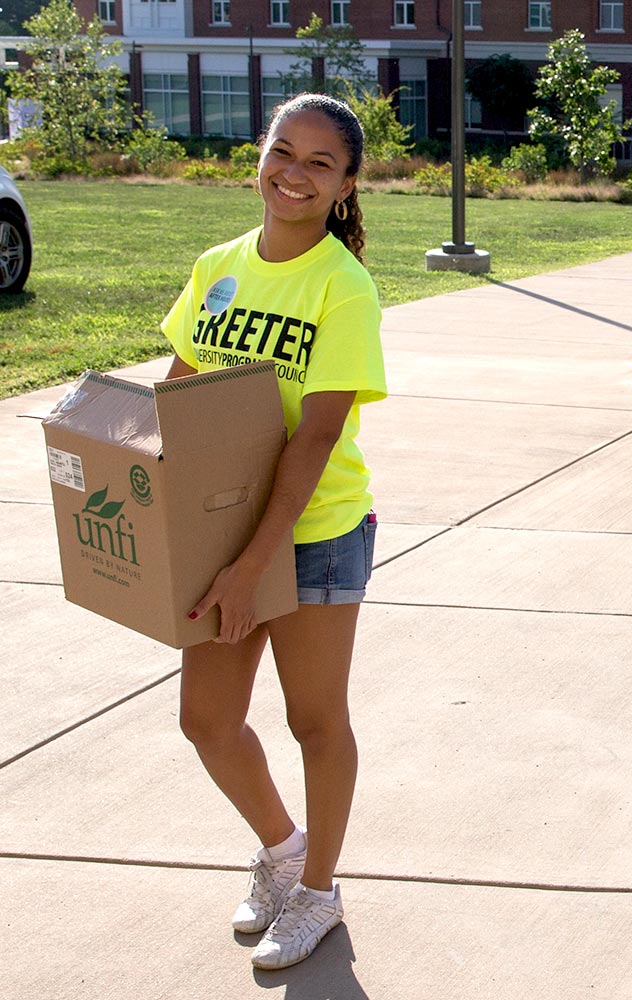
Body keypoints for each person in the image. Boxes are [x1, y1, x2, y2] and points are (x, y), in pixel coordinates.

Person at [160, 93, 386, 970]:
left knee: (314, 721)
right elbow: (178, 395)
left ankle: (320, 893)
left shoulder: (343, 285)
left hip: (317, 529)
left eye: (319, 163)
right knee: (207, 720)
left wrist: (258, 563)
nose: (293, 172)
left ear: (346, 186)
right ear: (260, 154)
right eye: (282, 151)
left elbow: (317, 434)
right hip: (226, 531)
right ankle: (282, 850)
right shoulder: (218, 265)